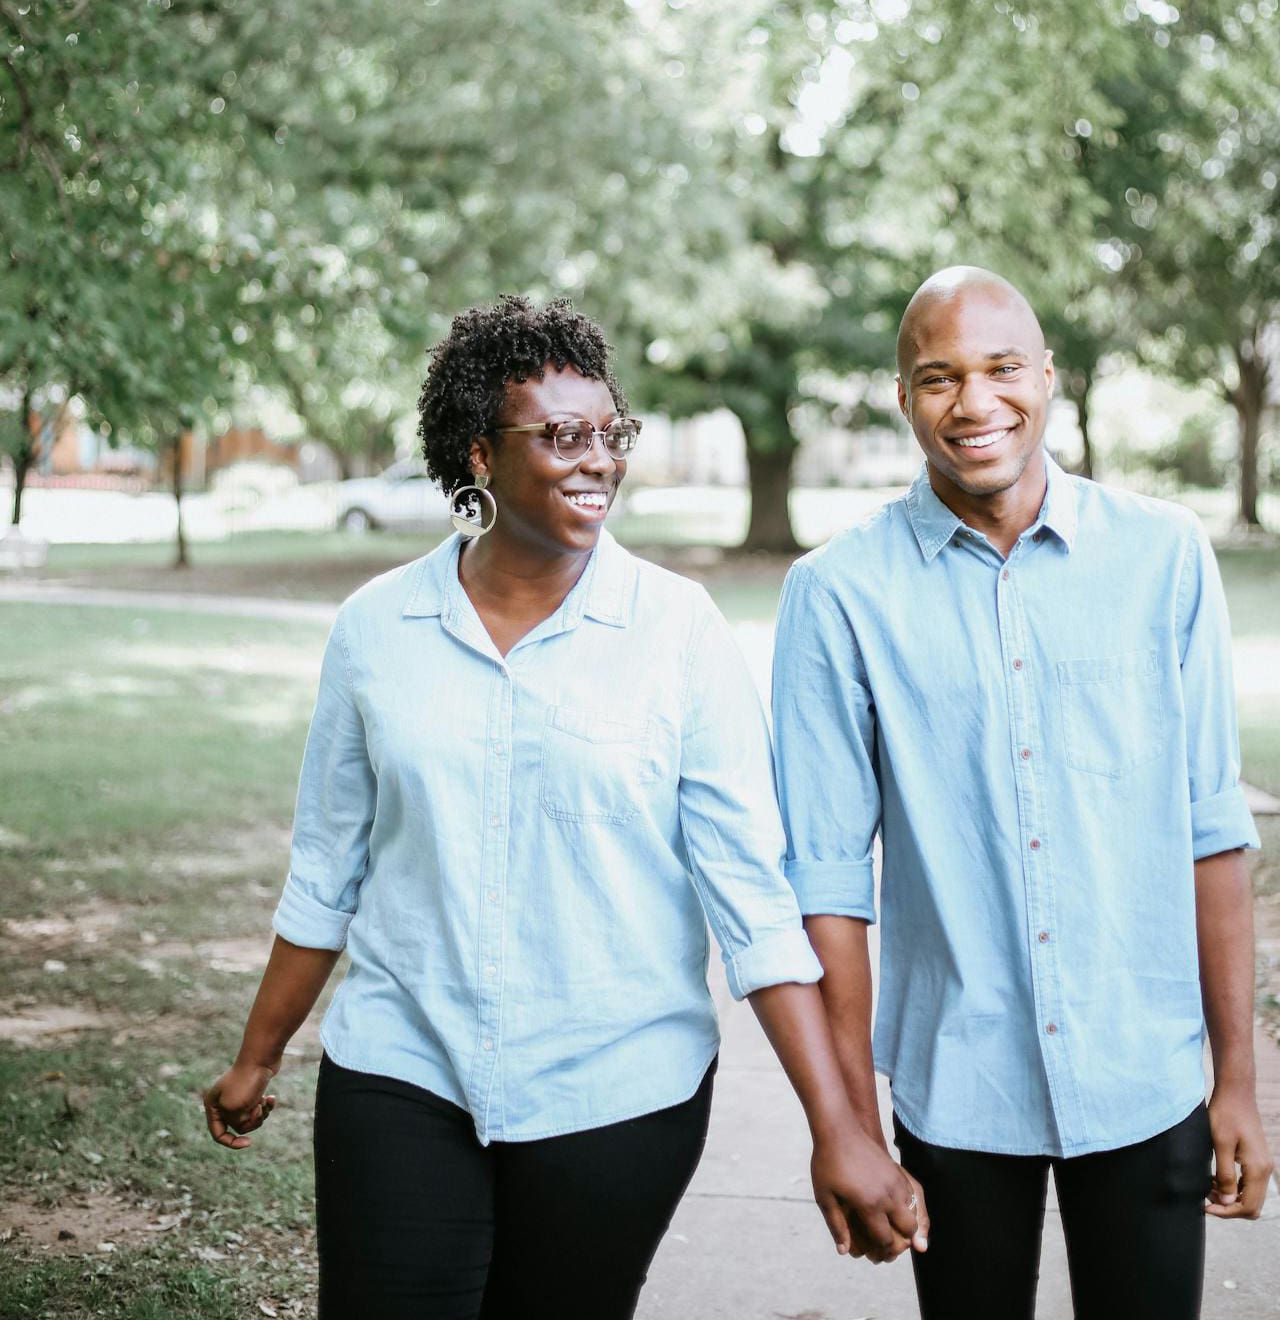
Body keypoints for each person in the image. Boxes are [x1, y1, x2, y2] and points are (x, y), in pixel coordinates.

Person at [203, 296, 922, 1320]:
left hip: (616, 1091)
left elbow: (751, 901)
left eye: (609, 433)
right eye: (561, 435)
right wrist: (256, 1057)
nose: (598, 459)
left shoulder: (675, 630)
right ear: (479, 457)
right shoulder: (376, 630)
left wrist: (838, 1123)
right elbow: (328, 868)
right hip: (403, 1067)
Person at [771, 266, 1273, 1318]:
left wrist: (1236, 1078)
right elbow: (826, 879)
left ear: (1046, 376)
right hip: (955, 1085)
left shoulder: (1164, 558)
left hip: (1145, 1074)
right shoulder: (835, 595)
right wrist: (851, 1123)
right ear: (902, 395)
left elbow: (1209, 831)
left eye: (1001, 369)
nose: (973, 403)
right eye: (936, 377)